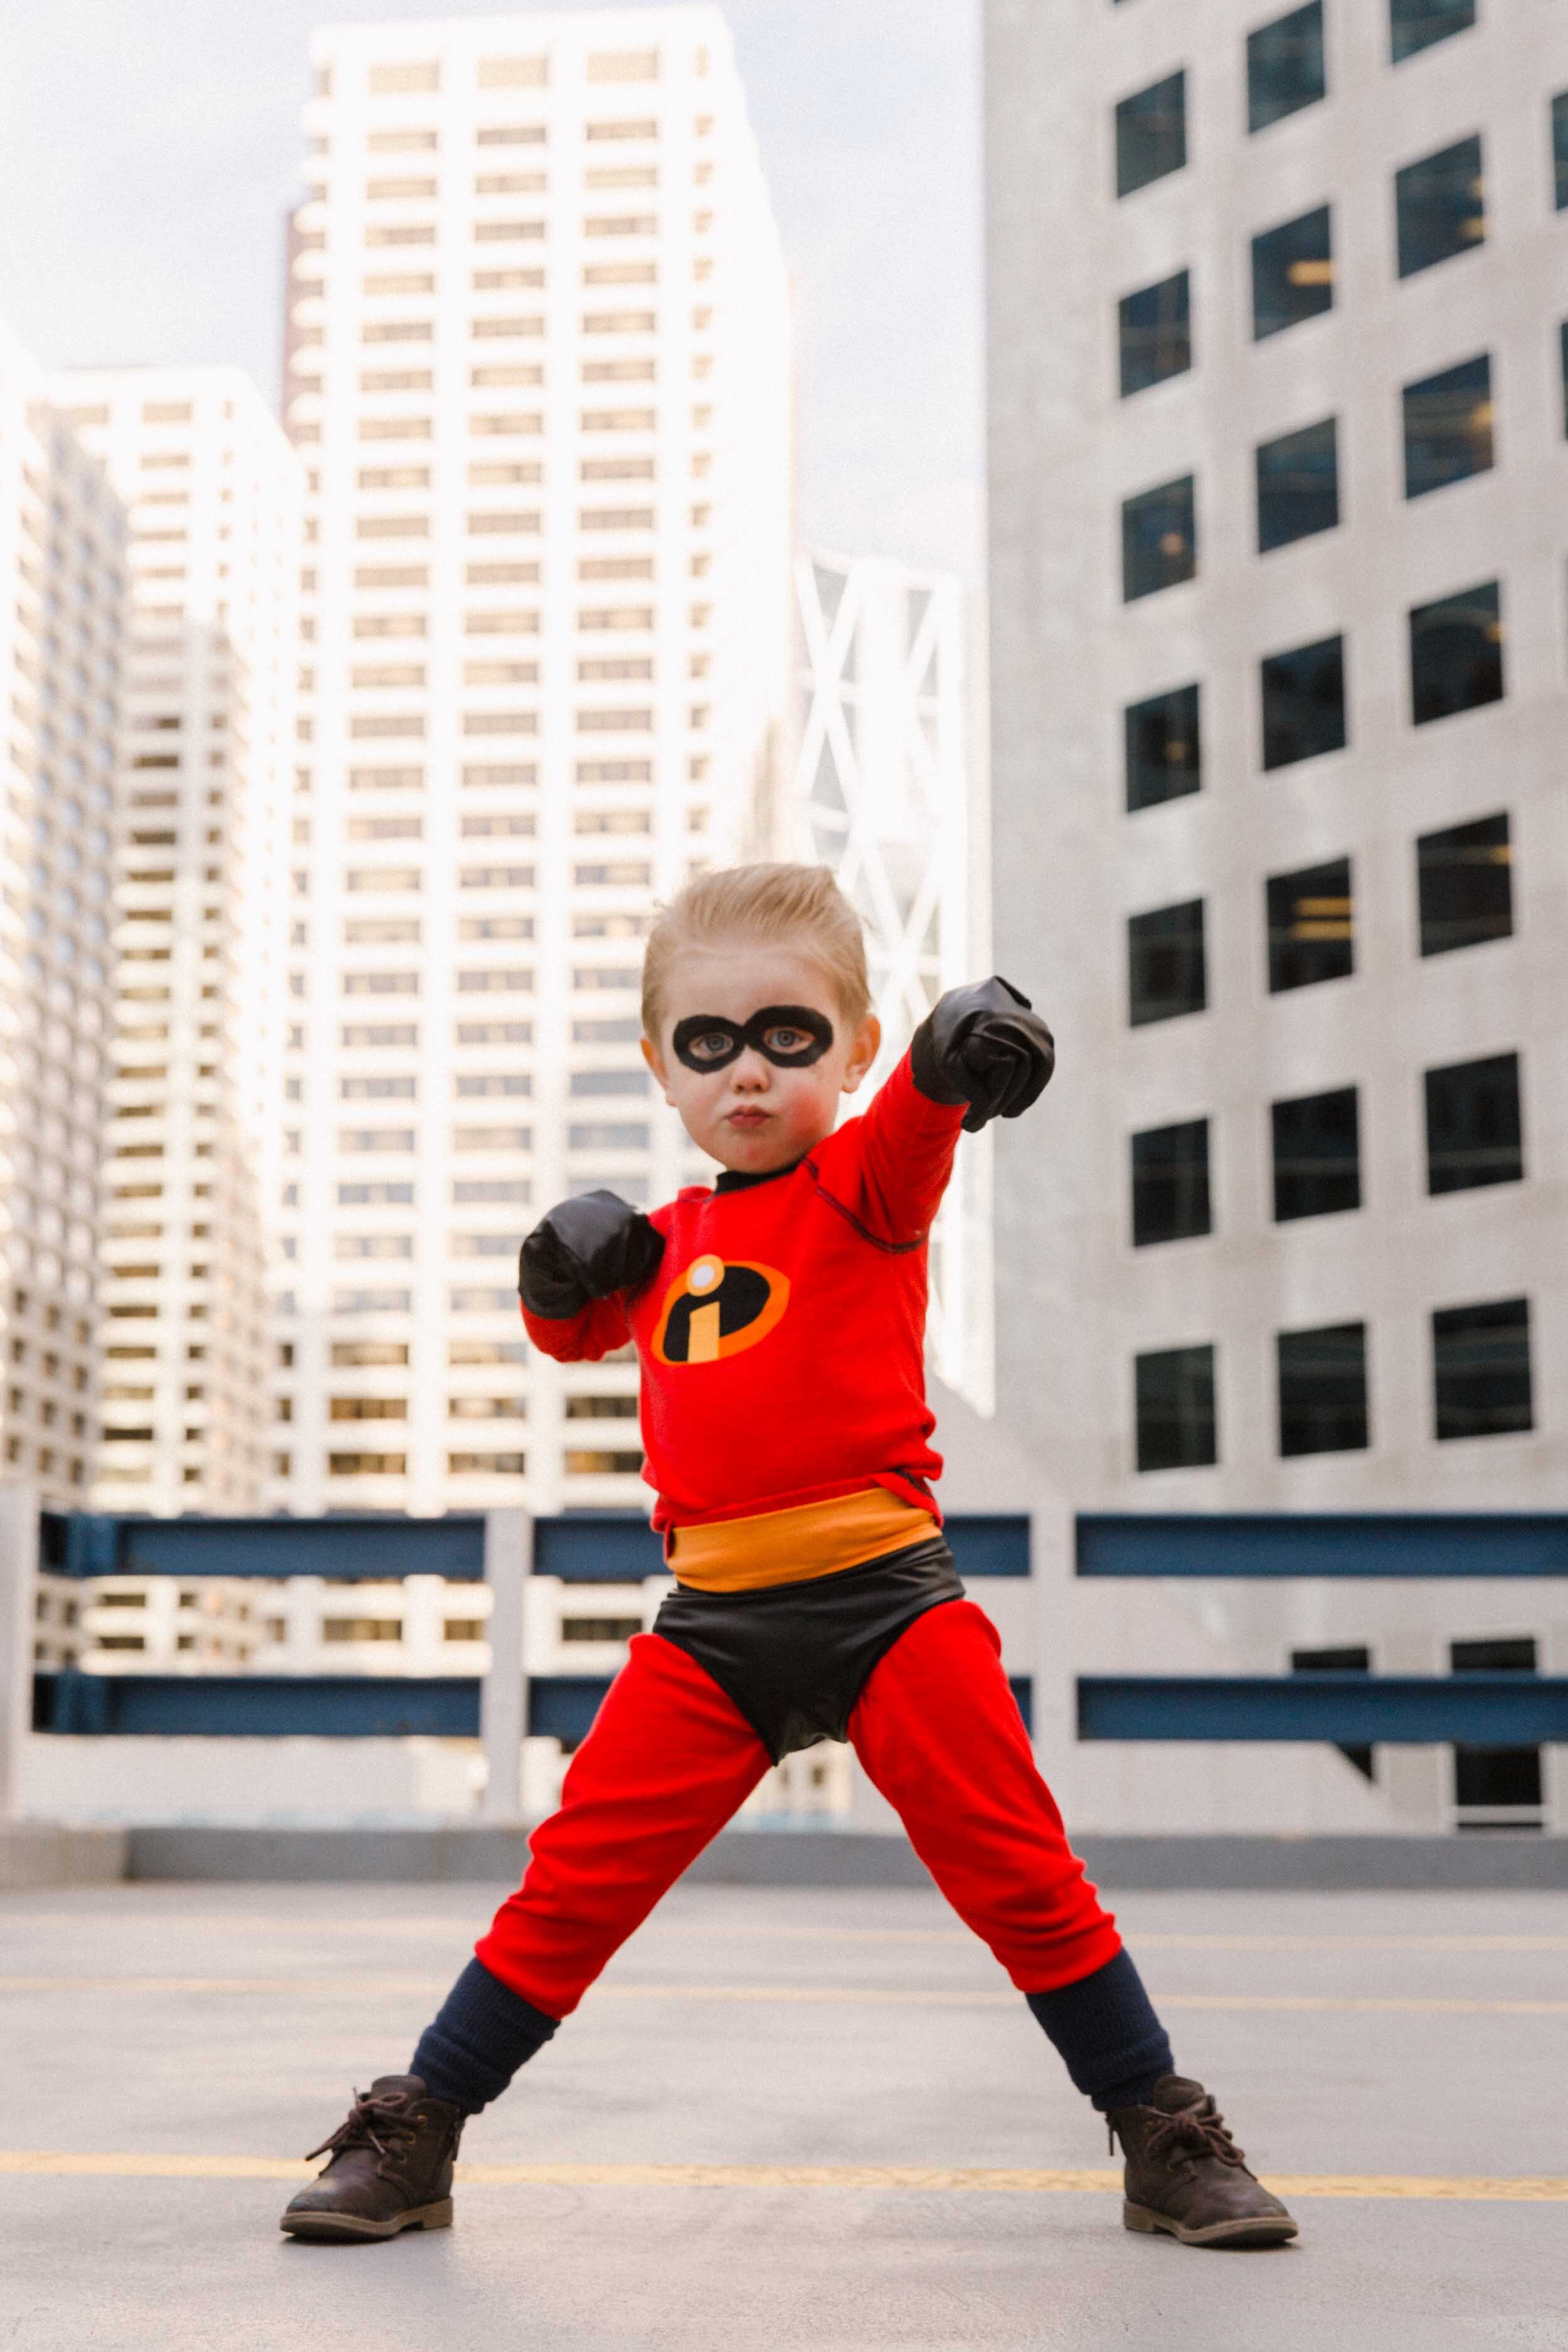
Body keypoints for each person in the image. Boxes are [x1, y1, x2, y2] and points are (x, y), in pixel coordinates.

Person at [281, 862, 1296, 2253]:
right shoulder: (661, 1247)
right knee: (570, 1887)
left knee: (1022, 1874)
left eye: (787, 1035)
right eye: (708, 1043)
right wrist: (554, 1264)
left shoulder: (864, 1184)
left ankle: (1161, 2133)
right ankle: (419, 2130)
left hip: (887, 1606)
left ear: (851, 1048)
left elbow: (923, 1119)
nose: (746, 1071)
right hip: (711, 1630)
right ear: (661, 1065)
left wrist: (957, 1044)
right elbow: (566, 1333)